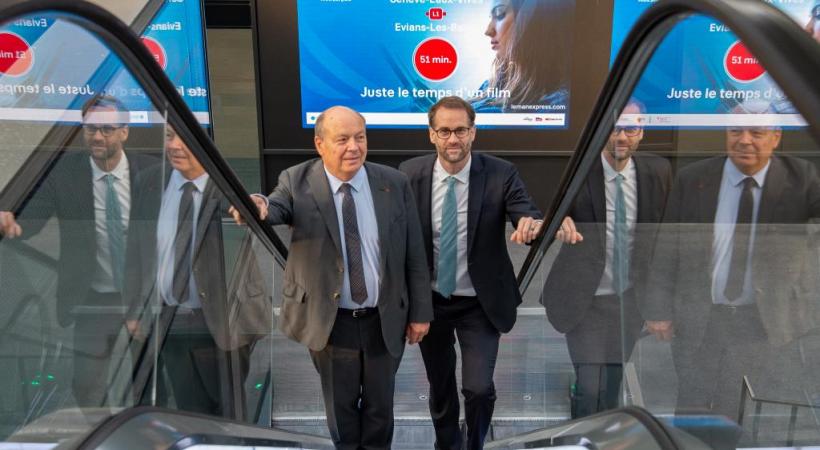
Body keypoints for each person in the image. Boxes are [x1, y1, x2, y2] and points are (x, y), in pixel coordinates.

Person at [239, 106, 432, 449]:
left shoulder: (393, 182)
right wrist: (259, 205)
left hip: (383, 318)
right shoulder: (295, 180)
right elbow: (275, 206)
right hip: (330, 323)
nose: (353, 147)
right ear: (320, 144)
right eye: (342, 139)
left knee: (380, 410)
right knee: (341, 413)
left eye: (360, 137)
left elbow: (414, 253)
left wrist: (420, 313)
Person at [643, 101, 820, 420]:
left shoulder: (802, 179)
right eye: (736, 130)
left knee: (735, 404)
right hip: (700, 314)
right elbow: (666, 248)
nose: (745, 140)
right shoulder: (693, 178)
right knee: (690, 402)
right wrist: (658, 310)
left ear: (776, 137)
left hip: (759, 320)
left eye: (757, 132)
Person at [398, 96, 543, 450]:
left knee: (478, 388)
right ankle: (447, 445)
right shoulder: (409, 174)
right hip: (430, 302)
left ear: (473, 132)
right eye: (444, 131)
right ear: (431, 135)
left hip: (480, 302)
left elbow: (526, 211)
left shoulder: (500, 172)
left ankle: (473, 444)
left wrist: (530, 223)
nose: (453, 139)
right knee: (441, 385)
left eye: (461, 130)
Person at [0, 95, 156, 408]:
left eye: (107, 129)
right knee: (87, 386)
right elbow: (32, 219)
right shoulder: (65, 173)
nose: (97, 136)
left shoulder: (151, 171)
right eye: (90, 130)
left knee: (148, 385)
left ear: (124, 132)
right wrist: (11, 222)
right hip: (93, 299)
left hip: (143, 298)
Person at [123, 126, 268, 419]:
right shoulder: (151, 181)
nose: (175, 146)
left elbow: (256, 207)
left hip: (221, 320)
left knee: (228, 413)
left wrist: (259, 203)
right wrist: (133, 310)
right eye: (168, 137)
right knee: (189, 410)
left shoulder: (227, 187)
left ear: (204, 147)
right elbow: (135, 251)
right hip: (170, 319)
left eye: (185, 139)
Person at [542, 101, 672, 418]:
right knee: (589, 386)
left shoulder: (657, 172)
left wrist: (660, 307)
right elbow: (545, 217)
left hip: (629, 301)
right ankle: (582, 437)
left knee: (612, 384)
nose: (621, 137)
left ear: (641, 133)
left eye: (630, 128)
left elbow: (665, 246)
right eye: (613, 129)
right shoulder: (578, 170)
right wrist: (557, 221)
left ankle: (606, 434)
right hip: (585, 299)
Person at [471, 0, 572, 112]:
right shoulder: (490, 86)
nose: (488, 31)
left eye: (499, 14)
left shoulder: (557, 105)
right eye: (491, 17)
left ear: (533, 22)